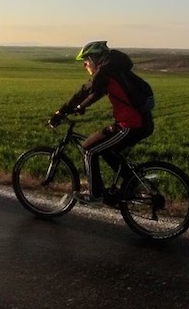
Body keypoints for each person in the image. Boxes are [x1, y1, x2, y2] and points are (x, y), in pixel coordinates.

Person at [48, 41, 154, 204]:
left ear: (94, 58)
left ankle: (95, 195)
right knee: (106, 150)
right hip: (140, 122)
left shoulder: (105, 71)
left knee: (88, 149)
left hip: (130, 125)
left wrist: (61, 112)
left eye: (86, 60)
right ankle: (132, 184)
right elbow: (99, 92)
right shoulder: (114, 68)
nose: (85, 64)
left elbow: (86, 90)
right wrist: (81, 107)